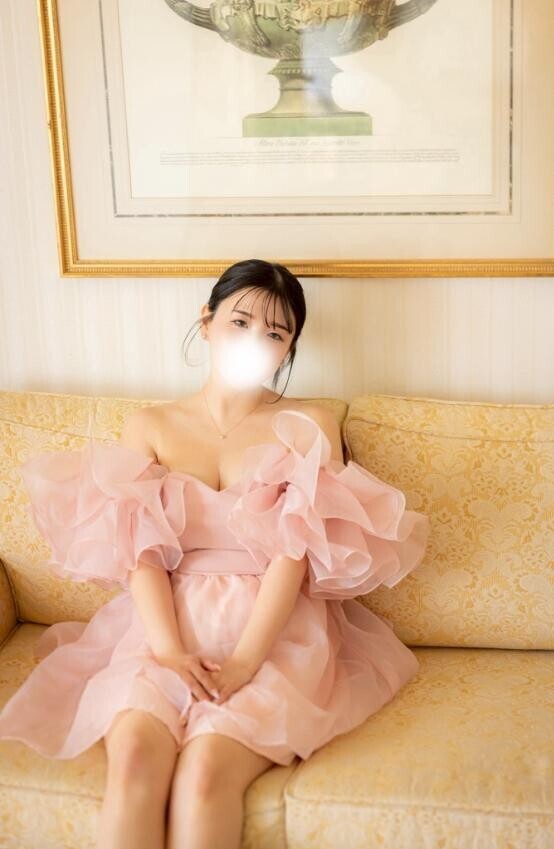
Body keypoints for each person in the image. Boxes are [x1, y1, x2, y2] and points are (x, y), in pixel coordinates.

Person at [0, 258, 430, 849]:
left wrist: (246, 662)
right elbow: (140, 553)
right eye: (240, 322)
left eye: (274, 333)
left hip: (273, 626)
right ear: (206, 323)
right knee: (135, 763)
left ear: (289, 348)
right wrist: (169, 651)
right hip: (166, 621)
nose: (254, 341)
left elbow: (294, 554)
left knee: (204, 777)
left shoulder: (308, 422)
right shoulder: (150, 425)